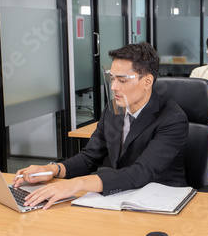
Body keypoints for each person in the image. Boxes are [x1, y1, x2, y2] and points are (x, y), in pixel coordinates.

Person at [14, 42, 189, 209]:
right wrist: (51, 169)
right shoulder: (113, 110)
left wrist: (78, 183)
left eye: (122, 80)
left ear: (147, 81)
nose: (113, 86)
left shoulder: (172, 118)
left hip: (160, 202)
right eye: (112, 78)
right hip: (122, 196)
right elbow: (89, 158)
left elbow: (141, 172)